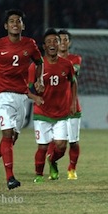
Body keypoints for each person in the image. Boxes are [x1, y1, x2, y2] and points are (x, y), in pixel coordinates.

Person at [0, 9, 44, 190]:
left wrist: (39, 79)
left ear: (23, 25)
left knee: (13, 138)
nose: (15, 23)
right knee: (7, 134)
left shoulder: (30, 44)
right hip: (2, 95)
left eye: (18, 21)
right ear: (6, 25)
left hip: (21, 97)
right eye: (11, 21)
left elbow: (39, 62)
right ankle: (10, 178)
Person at [29, 29, 77, 183]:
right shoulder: (36, 67)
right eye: (49, 41)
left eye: (55, 41)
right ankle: (38, 175)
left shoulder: (67, 64)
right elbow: (26, 89)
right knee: (42, 147)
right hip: (42, 112)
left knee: (61, 146)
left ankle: (53, 160)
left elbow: (73, 82)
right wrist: (35, 96)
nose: (52, 44)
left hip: (61, 113)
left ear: (59, 44)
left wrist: (73, 101)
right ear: (44, 46)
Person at [57, 29, 82, 180]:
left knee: (73, 141)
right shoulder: (47, 61)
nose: (63, 42)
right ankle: (52, 162)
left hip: (72, 105)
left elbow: (74, 73)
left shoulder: (75, 59)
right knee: (56, 143)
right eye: (60, 40)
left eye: (66, 40)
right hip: (54, 106)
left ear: (69, 42)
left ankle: (72, 169)